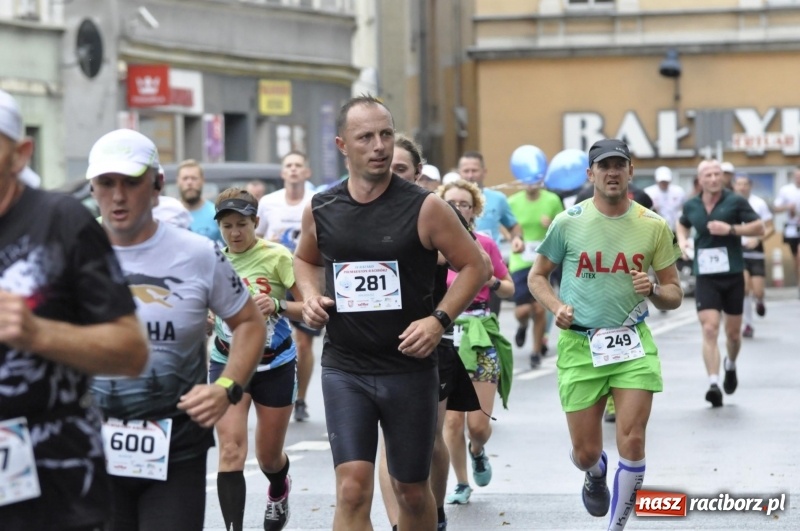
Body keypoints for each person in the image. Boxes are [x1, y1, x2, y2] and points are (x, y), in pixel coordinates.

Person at [293, 95, 487, 531]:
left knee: (412, 491)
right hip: (346, 367)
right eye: (366, 137)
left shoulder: (425, 207)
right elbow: (304, 259)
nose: (379, 146)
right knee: (351, 488)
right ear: (342, 145)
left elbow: (476, 266)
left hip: (408, 368)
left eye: (385, 134)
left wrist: (438, 320)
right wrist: (310, 296)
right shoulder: (322, 207)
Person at [86, 129, 266, 531]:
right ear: (92, 188)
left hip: (177, 445)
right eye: (106, 183)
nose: (118, 196)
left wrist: (227, 386)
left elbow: (250, 323)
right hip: (89, 446)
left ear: (157, 186)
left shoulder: (197, 253)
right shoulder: (70, 253)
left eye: (132, 182)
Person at [0, 90, 149, 531]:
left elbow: (131, 352)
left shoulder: (61, 221)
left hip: (55, 482)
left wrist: (37, 333)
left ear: (20, 153)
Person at [528, 138, 683, 531]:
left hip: (632, 343)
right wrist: (556, 307)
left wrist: (654, 289)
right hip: (580, 344)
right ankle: (594, 472)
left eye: (619, 165)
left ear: (631, 171)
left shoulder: (653, 225)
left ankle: (615, 527)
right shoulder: (568, 222)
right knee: (584, 452)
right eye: (604, 166)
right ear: (590, 174)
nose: (612, 172)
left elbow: (674, 293)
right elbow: (537, 276)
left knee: (632, 440)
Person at [376, 133, 482, 531]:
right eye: (388, 166)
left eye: (401, 168)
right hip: (377, 342)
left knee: (430, 438)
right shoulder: (361, 211)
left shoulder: (434, 213)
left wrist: (439, 317)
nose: (391, 173)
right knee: (388, 441)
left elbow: (475, 264)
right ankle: (398, 524)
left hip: (431, 342)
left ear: (418, 173)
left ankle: (434, 515)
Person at [211, 188, 304, 531]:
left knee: (268, 456)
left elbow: (309, 308)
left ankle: (278, 488)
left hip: (274, 364)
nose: (234, 233)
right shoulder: (212, 261)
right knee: (230, 450)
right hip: (227, 361)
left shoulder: (277, 256)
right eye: (227, 226)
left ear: (256, 222)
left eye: (242, 224)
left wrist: (278, 304)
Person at [438, 179, 514, 505]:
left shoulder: (485, 244)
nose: (458, 208)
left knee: (479, 425)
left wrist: (491, 280)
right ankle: (461, 482)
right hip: (445, 333)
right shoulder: (432, 248)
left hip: (480, 332)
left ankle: (478, 449)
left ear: (474, 210)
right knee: (452, 419)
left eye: (464, 204)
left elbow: (509, 288)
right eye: (451, 203)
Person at [676, 159, 763, 408]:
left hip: (733, 274)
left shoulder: (735, 201)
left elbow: (759, 227)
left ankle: (731, 364)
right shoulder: (692, 204)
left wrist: (731, 230)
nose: (714, 179)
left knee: (733, 335)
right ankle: (713, 384)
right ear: (700, 179)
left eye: (717, 174)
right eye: (709, 175)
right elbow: (682, 223)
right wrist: (681, 241)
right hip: (705, 275)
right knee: (710, 328)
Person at [255, 151, 318, 422]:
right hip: (273, 279)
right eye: (288, 165)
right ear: (282, 173)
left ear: (307, 172)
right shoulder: (268, 202)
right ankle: (268, 390)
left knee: (303, 342)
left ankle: (300, 398)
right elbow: (254, 239)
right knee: (269, 338)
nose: (293, 169)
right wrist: (268, 243)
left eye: (298, 165)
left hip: (304, 276)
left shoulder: (316, 201)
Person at [507, 179, 564, 368]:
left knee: (540, 309)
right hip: (520, 261)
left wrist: (551, 224)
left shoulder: (552, 199)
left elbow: (564, 226)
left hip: (545, 259)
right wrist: (513, 238)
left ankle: (536, 352)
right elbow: (505, 226)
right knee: (523, 310)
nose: (530, 183)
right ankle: (523, 325)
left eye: (534, 179)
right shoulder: (513, 201)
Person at [458, 151, 522, 316]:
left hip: (491, 267)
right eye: (466, 171)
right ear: (459, 172)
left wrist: (517, 239)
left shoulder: (498, 199)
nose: (470, 175)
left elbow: (513, 226)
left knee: (490, 318)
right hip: (459, 266)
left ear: (484, 172)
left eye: (474, 170)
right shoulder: (450, 199)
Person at [732, 175, 774, 338]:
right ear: (734, 186)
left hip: (755, 252)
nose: (742, 187)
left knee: (758, 291)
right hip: (739, 251)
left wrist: (757, 239)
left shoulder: (759, 203)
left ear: (750, 186)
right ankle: (748, 324)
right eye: (739, 184)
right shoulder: (730, 203)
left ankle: (760, 301)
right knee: (744, 289)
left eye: (745, 184)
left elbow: (770, 227)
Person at [176, 158, 223, 243]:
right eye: (185, 178)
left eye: (194, 178)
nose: (189, 182)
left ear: (202, 181)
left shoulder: (216, 214)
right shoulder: (171, 214)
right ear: (178, 181)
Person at [773, 166, 800, 298]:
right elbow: (776, 208)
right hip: (792, 229)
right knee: (796, 259)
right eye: (797, 176)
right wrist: (787, 207)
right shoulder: (786, 190)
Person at [644, 166, 686, 233]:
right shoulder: (649, 192)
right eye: (662, 181)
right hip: (655, 229)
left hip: (675, 229)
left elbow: (684, 209)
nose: (664, 183)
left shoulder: (678, 191)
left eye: (666, 181)